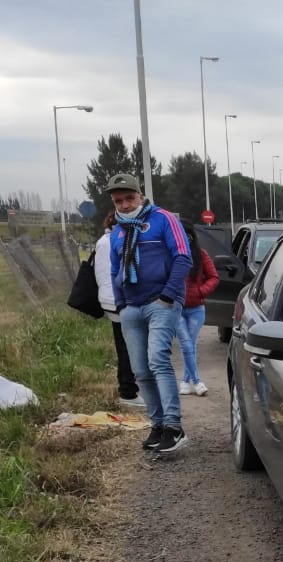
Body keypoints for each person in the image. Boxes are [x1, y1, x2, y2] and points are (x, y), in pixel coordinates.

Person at [106, 173, 192, 455]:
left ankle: (173, 426)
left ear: (140, 196)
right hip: (131, 307)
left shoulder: (163, 219)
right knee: (140, 371)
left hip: (161, 302)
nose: (125, 205)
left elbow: (183, 256)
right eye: (119, 200)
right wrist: (121, 304)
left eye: (129, 198)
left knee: (158, 360)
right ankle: (156, 425)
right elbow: (115, 270)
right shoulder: (117, 231)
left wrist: (169, 294)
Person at [93, 211, 144, 407]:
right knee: (127, 347)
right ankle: (128, 391)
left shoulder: (104, 240)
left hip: (110, 299)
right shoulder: (113, 241)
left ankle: (129, 387)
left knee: (125, 345)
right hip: (117, 299)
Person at [177, 219, 219, 397]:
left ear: (191, 236)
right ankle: (196, 381)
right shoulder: (170, 254)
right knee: (186, 344)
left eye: (186, 235)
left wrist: (201, 291)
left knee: (190, 345)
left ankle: (186, 381)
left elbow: (214, 277)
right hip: (176, 307)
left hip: (196, 309)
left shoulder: (201, 255)